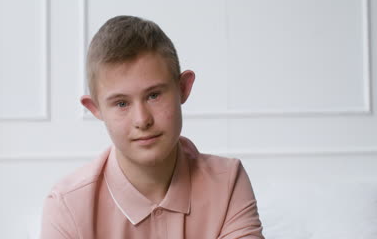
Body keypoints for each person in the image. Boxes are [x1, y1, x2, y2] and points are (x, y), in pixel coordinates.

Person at [40, 15, 264, 239]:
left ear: (183, 88)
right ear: (95, 108)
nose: (142, 120)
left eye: (154, 95)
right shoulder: (66, 206)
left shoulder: (227, 181)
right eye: (121, 103)